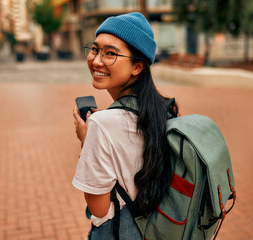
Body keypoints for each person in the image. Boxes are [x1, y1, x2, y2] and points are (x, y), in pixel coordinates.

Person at [72, 12, 179, 239]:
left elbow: (99, 210)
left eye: (110, 53)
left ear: (137, 67)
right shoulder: (162, 109)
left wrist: (86, 141)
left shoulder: (101, 125)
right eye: (95, 49)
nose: (96, 60)